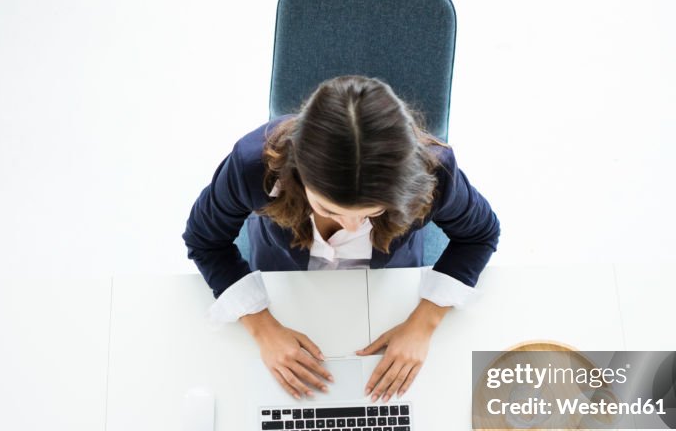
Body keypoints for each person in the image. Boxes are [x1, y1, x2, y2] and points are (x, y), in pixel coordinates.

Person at [183, 75, 499, 402]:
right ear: (296, 173)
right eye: (328, 209)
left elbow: (481, 235)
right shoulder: (253, 164)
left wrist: (424, 323)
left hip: (386, 286)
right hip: (283, 280)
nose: (350, 228)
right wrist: (263, 328)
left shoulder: (435, 172)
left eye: (371, 213)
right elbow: (204, 240)